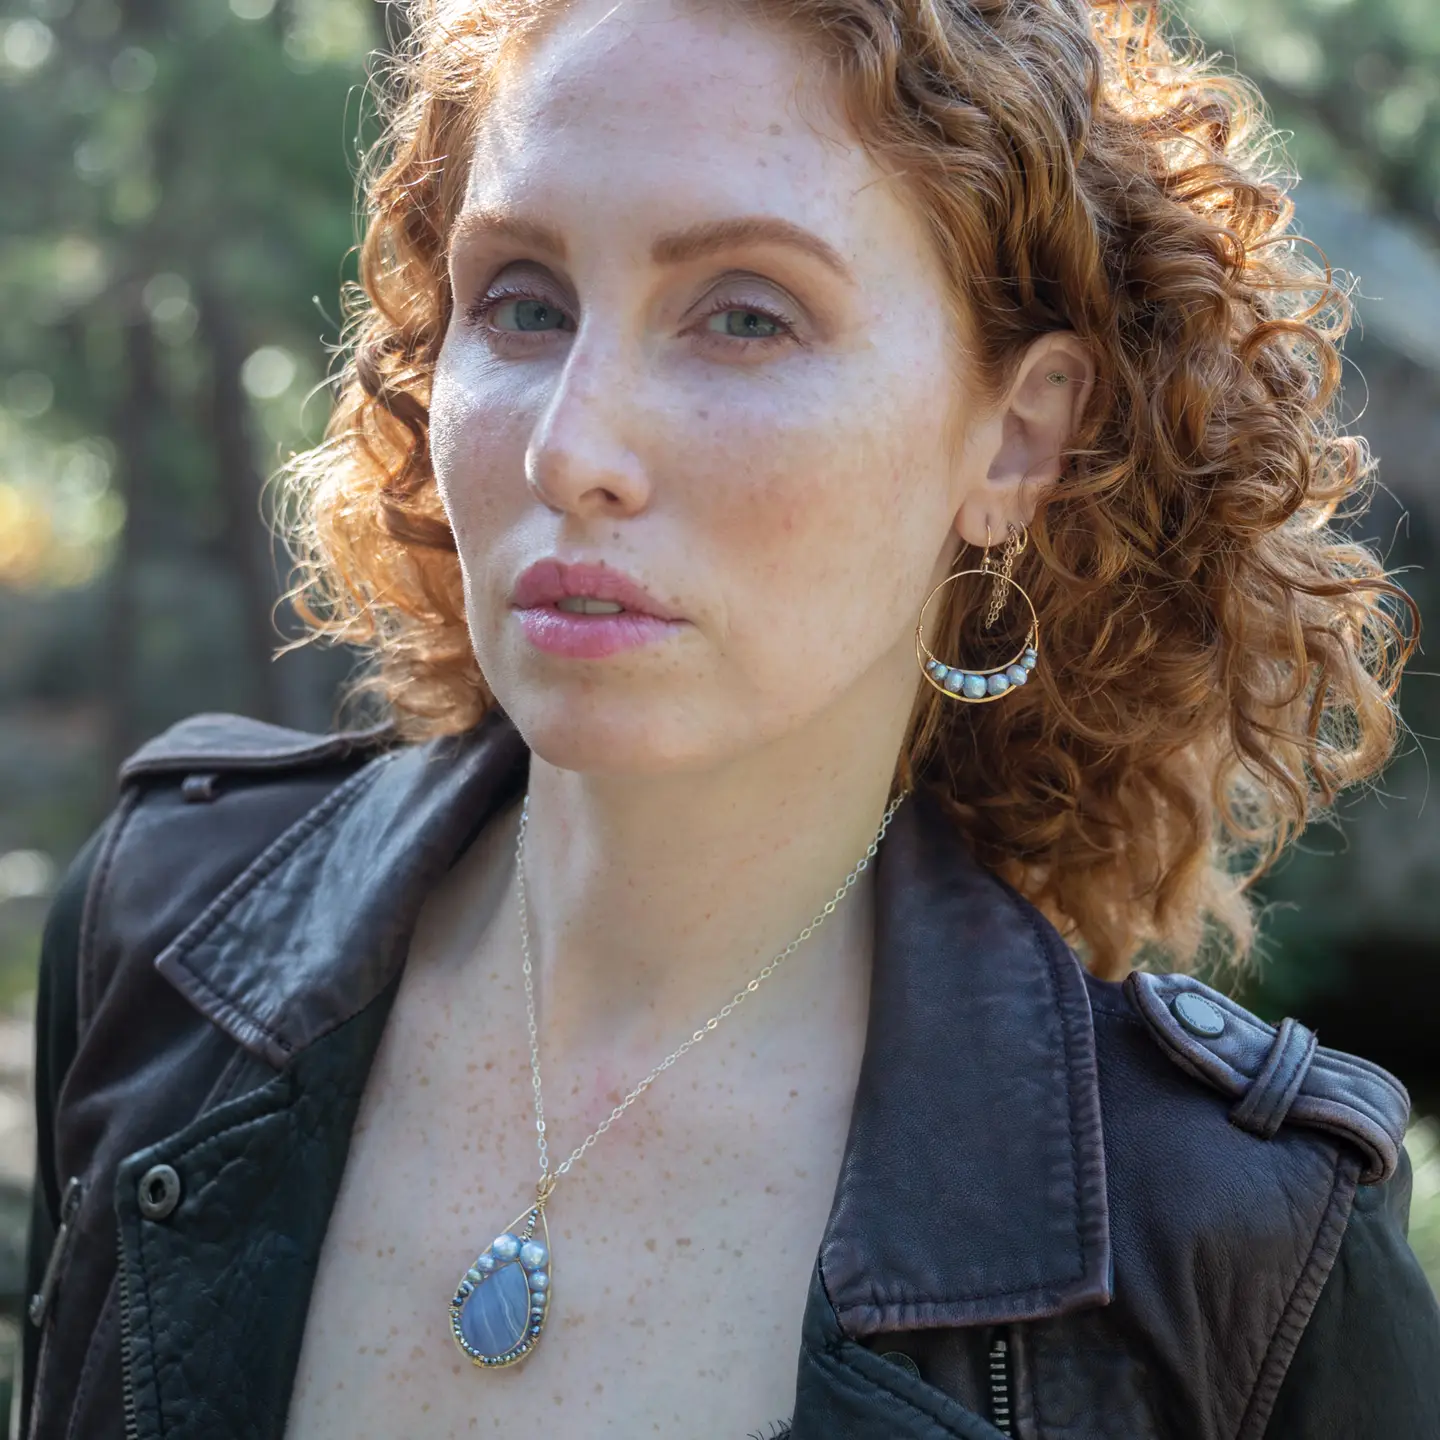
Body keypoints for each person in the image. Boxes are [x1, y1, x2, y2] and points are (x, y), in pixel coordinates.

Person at [19, 0, 1440, 1434]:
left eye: (746, 315)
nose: (572, 448)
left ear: (1018, 436)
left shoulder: (1239, 1256)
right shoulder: (158, 925)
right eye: (523, 302)